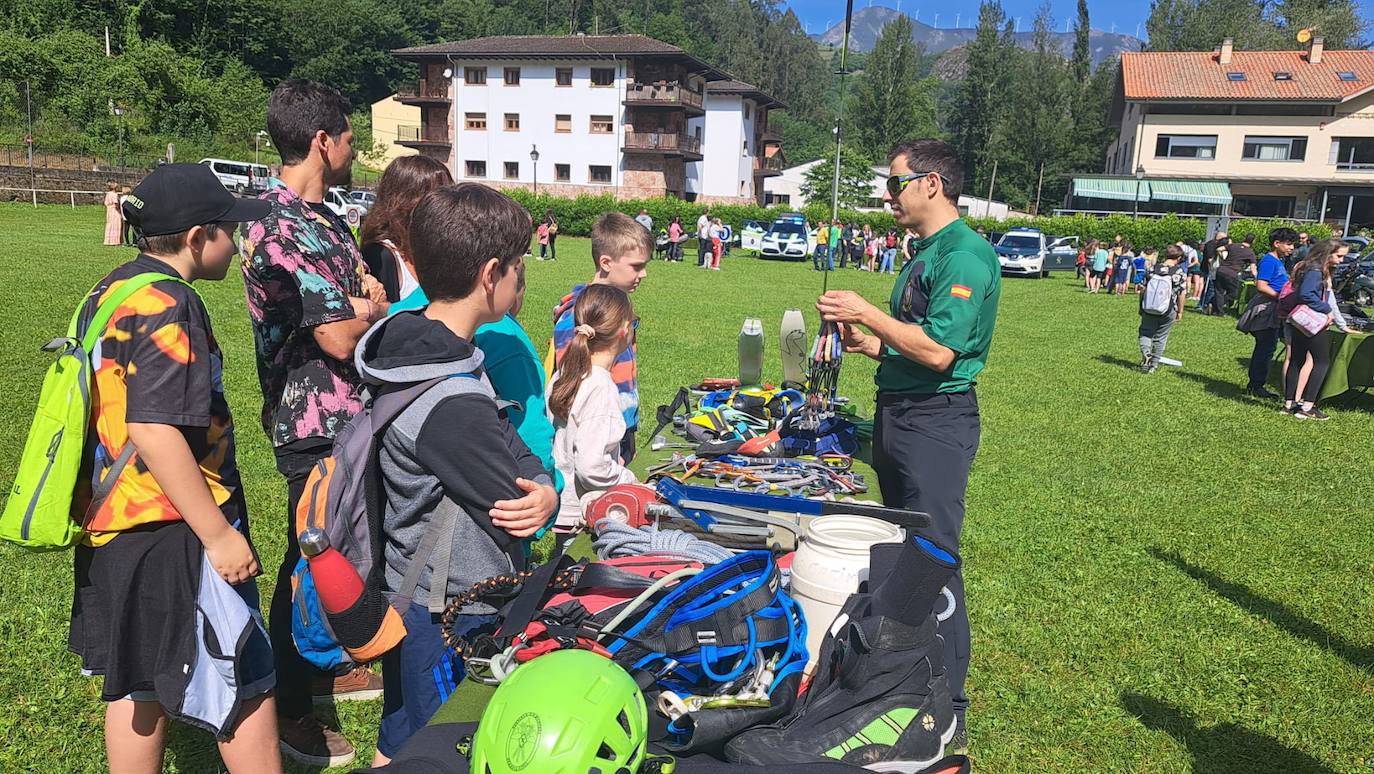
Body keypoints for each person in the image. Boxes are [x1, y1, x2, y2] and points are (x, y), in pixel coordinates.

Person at [71, 164, 281, 774]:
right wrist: (218, 535)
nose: (236, 241)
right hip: (176, 528)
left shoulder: (109, 291)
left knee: (138, 683)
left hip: (115, 523)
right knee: (246, 676)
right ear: (196, 238)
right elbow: (155, 428)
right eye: (227, 231)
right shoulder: (172, 304)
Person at [356, 184, 558, 765]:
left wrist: (532, 477)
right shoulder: (452, 398)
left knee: (400, 736)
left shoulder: (418, 344)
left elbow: (507, 443)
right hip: (454, 608)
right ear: (491, 273)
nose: (522, 275)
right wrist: (540, 490)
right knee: (443, 746)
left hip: (411, 587)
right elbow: (510, 493)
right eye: (518, 264)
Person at [817, 138, 1000, 755]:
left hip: (935, 424)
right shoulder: (927, 252)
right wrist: (871, 343)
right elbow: (913, 343)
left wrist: (867, 312)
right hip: (901, 413)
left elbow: (939, 351)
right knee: (903, 551)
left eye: (895, 183)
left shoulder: (966, 257)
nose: (887, 195)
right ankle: (903, 681)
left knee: (933, 560)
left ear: (932, 184)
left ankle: (949, 706)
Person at [239, 79, 385, 768]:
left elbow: (362, 299)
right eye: (351, 136)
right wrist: (369, 311)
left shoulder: (328, 217)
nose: (355, 148)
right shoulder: (276, 220)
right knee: (311, 556)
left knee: (343, 547)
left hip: (352, 411)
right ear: (323, 141)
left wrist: (366, 307)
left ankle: (326, 664)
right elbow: (336, 334)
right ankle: (290, 709)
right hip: (311, 418)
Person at [552, 212, 651, 463]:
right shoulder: (576, 314)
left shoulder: (616, 306)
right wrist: (605, 451)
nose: (644, 274)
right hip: (594, 437)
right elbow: (573, 386)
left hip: (619, 429)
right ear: (606, 262)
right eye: (636, 266)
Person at [547, 284, 640, 531]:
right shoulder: (601, 387)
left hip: (563, 502)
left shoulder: (564, 374)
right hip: (587, 510)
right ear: (624, 330)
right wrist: (626, 477)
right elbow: (592, 467)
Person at [359, 155, 453, 303]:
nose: (447, 207)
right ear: (406, 201)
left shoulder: (438, 252)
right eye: (438, 197)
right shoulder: (381, 257)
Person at [1281, 239, 1345, 420]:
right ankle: (1308, 406)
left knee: (1296, 359)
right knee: (1322, 361)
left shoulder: (1305, 267)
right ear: (1327, 252)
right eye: (1339, 256)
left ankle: (1289, 403)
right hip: (1312, 321)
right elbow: (1307, 294)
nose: (1341, 260)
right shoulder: (1316, 270)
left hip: (1298, 320)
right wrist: (1327, 311)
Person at [1242, 228, 1296, 400]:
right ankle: (1256, 385)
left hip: (1274, 309)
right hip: (1266, 309)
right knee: (1265, 347)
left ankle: (1257, 383)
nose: (1292, 248)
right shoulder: (1269, 261)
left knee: (1268, 347)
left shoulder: (1278, 261)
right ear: (1276, 244)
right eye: (1289, 244)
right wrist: (1281, 297)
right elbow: (1261, 285)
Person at [1137, 245, 1187, 373]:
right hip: (1168, 308)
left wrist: (1141, 306)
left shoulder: (1152, 268)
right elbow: (1182, 294)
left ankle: (1146, 353)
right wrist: (1180, 311)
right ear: (1179, 257)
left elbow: (1143, 289)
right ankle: (1153, 366)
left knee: (1145, 332)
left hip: (1149, 307)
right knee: (1161, 337)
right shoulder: (1179, 272)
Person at [103, 181, 123, 246]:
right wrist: (119, 211)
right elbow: (116, 203)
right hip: (114, 211)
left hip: (109, 211)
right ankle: (115, 241)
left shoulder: (108, 194)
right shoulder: (114, 194)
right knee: (116, 225)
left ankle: (108, 240)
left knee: (109, 224)